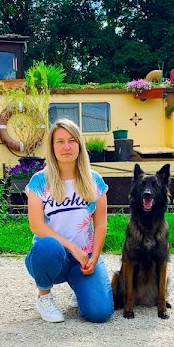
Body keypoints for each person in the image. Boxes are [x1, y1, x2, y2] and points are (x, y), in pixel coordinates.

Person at [24, 118, 114, 323]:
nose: (66, 146)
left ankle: (80, 287)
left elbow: (101, 224)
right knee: (48, 246)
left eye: (72, 140)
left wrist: (94, 257)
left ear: (80, 145)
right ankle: (44, 296)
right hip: (52, 255)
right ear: (52, 147)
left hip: (83, 257)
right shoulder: (39, 181)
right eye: (60, 141)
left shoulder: (94, 180)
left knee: (100, 313)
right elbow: (36, 225)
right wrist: (72, 248)